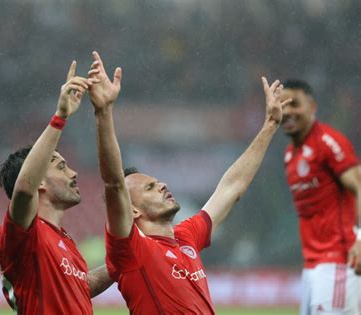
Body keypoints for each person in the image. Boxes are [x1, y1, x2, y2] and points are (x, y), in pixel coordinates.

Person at [88, 50, 289, 314]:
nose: (162, 186)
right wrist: (104, 112)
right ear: (132, 210)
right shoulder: (132, 248)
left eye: (158, 182)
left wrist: (270, 125)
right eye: (150, 187)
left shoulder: (187, 237)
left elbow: (232, 186)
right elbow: (114, 183)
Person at [0, 60, 113, 315]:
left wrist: (121, 263)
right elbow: (24, 189)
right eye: (60, 167)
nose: (73, 173)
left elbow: (82, 285)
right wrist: (61, 116)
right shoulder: (23, 232)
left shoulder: (63, 240)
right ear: (40, 182)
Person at [280, 79, 361, 315]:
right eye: (282, 104)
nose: (287, 112)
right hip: (312, 266)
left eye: (294, 104)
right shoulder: (289, 155)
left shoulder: (328, 142)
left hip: (338, 261)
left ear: (313, 107)